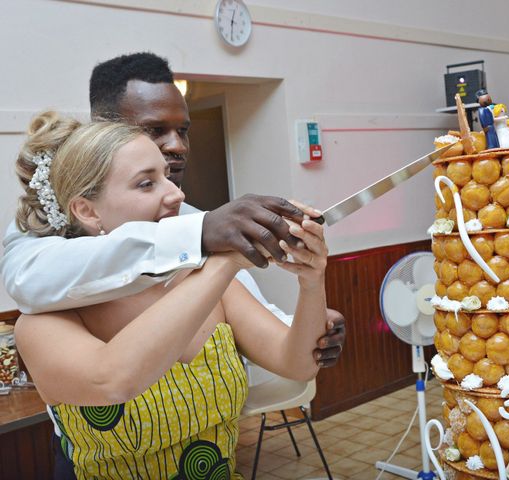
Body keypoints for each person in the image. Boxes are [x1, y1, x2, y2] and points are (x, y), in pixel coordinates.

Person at [14, 111, 329, 479]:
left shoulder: (205, 283)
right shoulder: (44, 321)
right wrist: (223, 264)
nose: (176, 194)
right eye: (146, 184)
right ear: (87, 210)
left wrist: (311, 281)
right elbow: (115, 379)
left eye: (166, 176)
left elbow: (298, 364)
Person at [1, 52, 345, 368]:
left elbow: (256, 317)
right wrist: (201, 234)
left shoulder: (192, 224)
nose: (177, 145)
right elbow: (29, 280)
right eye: (154, 130)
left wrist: (308, 319)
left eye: (183, 131)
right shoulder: (46, 227)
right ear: (106, 128)